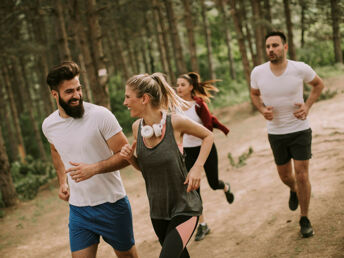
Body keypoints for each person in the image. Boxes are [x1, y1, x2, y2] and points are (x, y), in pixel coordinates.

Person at [42, 61, 138, 258]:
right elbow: (55, 150)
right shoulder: (49, 125)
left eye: (78, 89)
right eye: (69, 92)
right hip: (79, 210)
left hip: (112, 204)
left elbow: (126, 155)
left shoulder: (101, 116)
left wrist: (94, 168)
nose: (77, 95)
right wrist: (63, 181)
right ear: (54, 95)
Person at [120, 73, 214, 258]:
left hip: (185, 207)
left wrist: (197, 167)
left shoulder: (175, 122)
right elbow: (145, 170)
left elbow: (208, 136)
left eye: (128, 97)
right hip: (158, 212)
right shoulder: (136, 128)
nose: (125, 102)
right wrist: (131, 159)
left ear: (144, 98)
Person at [250, 31, 324, 238]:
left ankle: (304, 218)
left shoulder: (299, 68)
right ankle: (293, 190)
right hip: (276, 133)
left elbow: (319, 84)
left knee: (302, 174)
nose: (270, 50)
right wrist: (262, 109)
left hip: (300, 129)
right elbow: (254, 94)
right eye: (267, 47)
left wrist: (308, 106)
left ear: (285, 47)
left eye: (274, 45)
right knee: (285, 176)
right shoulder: (258, 72)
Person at [176, 72, 234, 241]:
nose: (178, 88)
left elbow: (208, 126)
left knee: (214, 183)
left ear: (191, 87)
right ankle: (203, 224)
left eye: (182, 85)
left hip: (205, 150)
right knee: (194, 189)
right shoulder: (175, 108)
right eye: (177, 85)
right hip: (188, 153)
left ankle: (225, 188)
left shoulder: (199, 105)